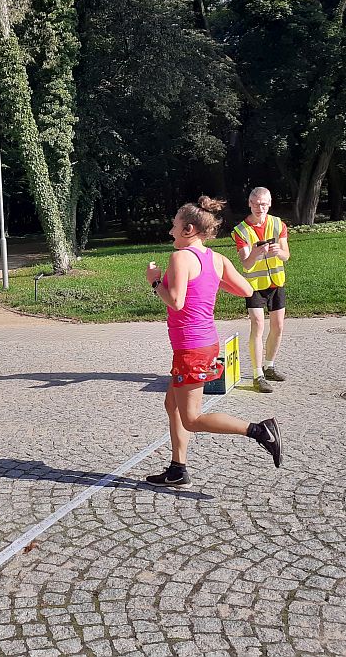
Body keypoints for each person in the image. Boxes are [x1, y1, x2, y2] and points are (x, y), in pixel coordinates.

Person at [145, 196, 282, 486]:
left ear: (188, 229)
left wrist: (155, 282)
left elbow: (176, 302)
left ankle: (259, 431)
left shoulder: (180, 258)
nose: (170, 231)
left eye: (174, 226)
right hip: (206, 342)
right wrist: (210, 280)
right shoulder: (215, 259)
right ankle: (177, 469)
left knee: (191, 418)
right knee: (172, 404)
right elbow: (246, 289)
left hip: (191, 347)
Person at [232, 187, 290, 393]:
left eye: (263, 204)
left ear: (270, 204)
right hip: (255, 286)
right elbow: (246, 264)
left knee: (278, 326)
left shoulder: (278, 224)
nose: (260, 208)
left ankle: (269, 366)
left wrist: (279, 252)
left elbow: (286, 256)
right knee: (257, 325)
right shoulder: (241, 230)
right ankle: (258, 375)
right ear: (249, 203)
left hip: (276, 282)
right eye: (256, 204)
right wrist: (256, 253)